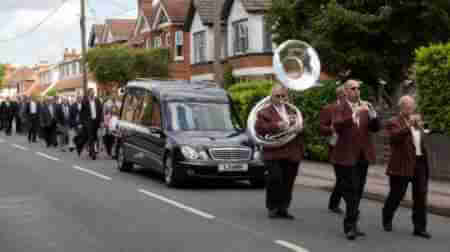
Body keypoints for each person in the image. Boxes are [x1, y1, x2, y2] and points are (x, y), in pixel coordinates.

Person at [330, 79, 380, 240]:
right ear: (345, 91)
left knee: (358, 191)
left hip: (362, 156)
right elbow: (337, 125)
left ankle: (353, 224)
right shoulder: (339, 107)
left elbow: (375, 128)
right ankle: (349, 226)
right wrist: (354, 114)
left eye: (358, 88)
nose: (357, 91)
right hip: (345, 156)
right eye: (353, 88)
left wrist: (373, 115)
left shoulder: (366, 108)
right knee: (351, 191)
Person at [382, 96, 431, 239]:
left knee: (421, 196)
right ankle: (387, 216)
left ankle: (419, 228)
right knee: (397, 195)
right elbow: (394, 138)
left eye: (412, 107)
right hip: (402, 164)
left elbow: (426, 134)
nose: (410, 109)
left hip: (419, 163)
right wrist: (408, 126)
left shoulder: (417, 121)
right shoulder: (393, 122)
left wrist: (423, 127)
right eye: (407, 107)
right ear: (401, 107)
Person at [254, 84, 304, 220]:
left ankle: (283, 208)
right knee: (275, 179)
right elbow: (260, 128)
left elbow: (300, 126)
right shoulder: (264, 112)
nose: (281, 98)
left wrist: (298, 128)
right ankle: (272, 207)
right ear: (271, 97)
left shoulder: (292, 110)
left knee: (288, 181)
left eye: (283, 96)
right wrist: (277, 125)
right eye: (278, 96)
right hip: (274, 152)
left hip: (291, 151)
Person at [319, 85, 346, 214]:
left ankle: (334, 203)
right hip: (336, 147)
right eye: (345, 94)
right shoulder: (329, 109)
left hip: (351, 148)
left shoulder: (355, 108)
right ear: (339, 95)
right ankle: (338, 204)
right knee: (342, 178)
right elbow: (321, 128)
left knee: (347, 179)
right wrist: (331, 129)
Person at [78, 89, 103, 159]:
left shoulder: (97, 100)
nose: (92, 94)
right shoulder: (85, 101)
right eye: (91, 93)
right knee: (91, 136)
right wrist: (81, 123)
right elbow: (81, 113)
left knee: (95, 137)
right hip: (88, 122)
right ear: (88, 94)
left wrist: (101, 121)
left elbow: (101, 111)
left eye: (93, 93)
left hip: (96, 121)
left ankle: (91, 150)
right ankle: (93, 153)